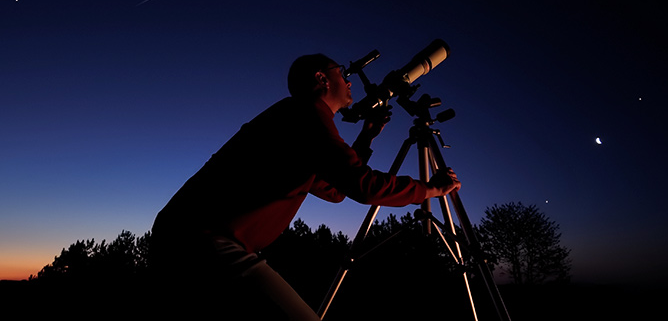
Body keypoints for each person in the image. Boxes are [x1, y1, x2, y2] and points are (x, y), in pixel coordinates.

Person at [150, 53, 460, 319]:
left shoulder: (300, 120)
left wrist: (366, 137)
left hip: (190, 236)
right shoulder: (306, 115)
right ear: (321, 79)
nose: (349, 80)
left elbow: (336, 190)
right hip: (204, 240)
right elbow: (363, 186)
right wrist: (430, 189)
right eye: (342, 73)